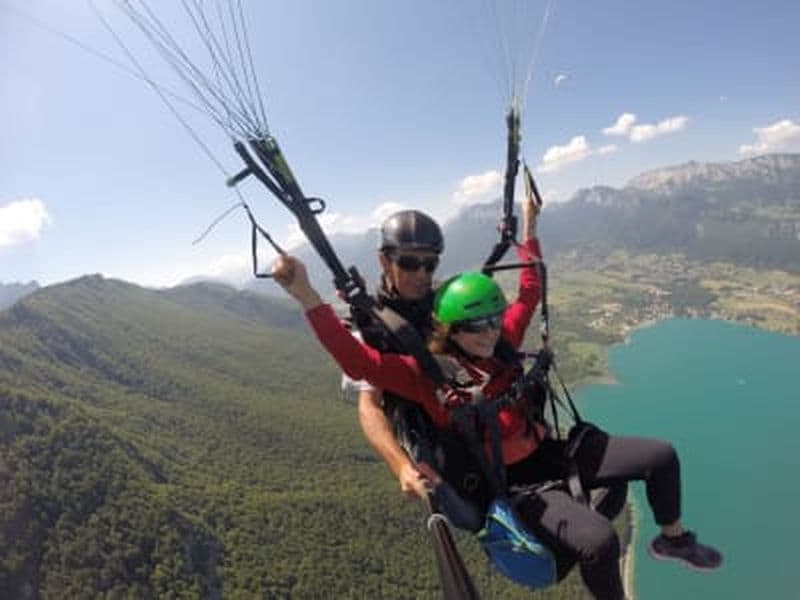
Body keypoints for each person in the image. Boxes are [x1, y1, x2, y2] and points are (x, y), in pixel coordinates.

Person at [272, 213, 722, 600]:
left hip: (551, 452)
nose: (488, 334)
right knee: (601, 542)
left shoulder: (501, 343)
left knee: (661, 456)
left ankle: (673, 540)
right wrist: (307, 297)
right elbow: (358, 362)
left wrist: (530, 226)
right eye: (475, 328)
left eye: (492, 322)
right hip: (518, 486)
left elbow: (528, 290)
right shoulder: (426, 374)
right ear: (450, 331)